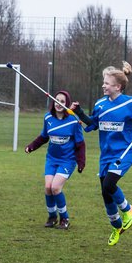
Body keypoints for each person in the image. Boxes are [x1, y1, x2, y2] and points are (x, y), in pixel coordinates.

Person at [72, 62, 132, 245]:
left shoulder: (130, 102)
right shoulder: (100, 104)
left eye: (107, 83)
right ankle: (116, 226)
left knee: (109, 185)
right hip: (106, 155)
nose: (103, 85)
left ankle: (128, 209)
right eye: (103, 82)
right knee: (105, 192)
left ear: (118, 86)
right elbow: (92, 124)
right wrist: (78, 112)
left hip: (124, 152)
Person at [24, 90, 86, 229]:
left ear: (67, 104)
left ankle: (65, 218)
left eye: (62, 101)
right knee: (47, 187)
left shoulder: (74, 121)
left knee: (55, 188)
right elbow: (44, 137)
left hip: (68, 160)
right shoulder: (47, 118)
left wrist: (81, 162)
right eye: (57, 100)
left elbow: (80, 144)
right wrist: (31, 147)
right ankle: (52, 217)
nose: (59, 103)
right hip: (52, 159)